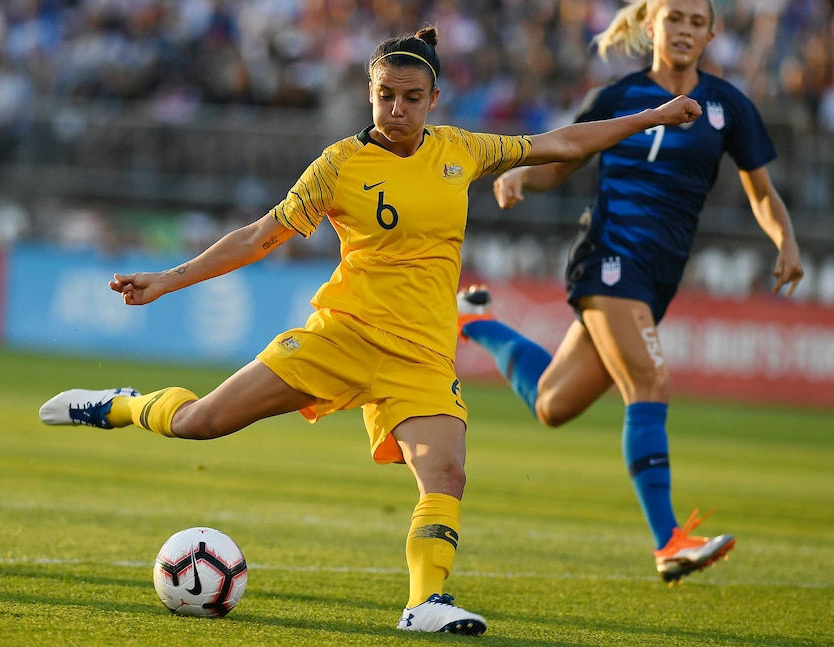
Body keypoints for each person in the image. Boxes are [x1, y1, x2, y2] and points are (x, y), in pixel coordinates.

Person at [39, 26, 701, 634]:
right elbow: (262, 234)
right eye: (385, 95)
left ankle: (424, 603)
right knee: (202, 422)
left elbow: (561, 143)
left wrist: (653, 117)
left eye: (411, 97)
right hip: (342, 337)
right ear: (370, 93)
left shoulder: (462, 150)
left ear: (434, 98)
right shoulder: (339, 164)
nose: (396, 109)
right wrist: (166, 279)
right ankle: (121, 404)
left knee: (445, 473)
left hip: (419, 355)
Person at [458, 0, 804, 585]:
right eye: (676, 18)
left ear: (713, 33)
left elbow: (762, 192)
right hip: (609, 258)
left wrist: (786, 242)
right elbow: (563, 158)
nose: (687, 29)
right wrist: (520, 171)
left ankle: (476, 322)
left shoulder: (728, 106)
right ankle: (669, 540)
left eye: (698, 21)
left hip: (659, 275)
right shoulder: (619, 98)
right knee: (649, 380)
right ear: (651, 26)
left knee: (553, 404)